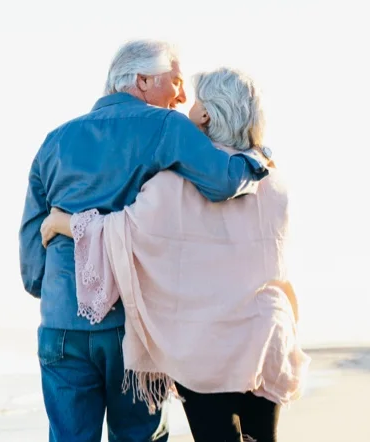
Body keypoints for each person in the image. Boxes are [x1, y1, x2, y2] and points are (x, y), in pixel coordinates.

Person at [18, 40, 272, 442]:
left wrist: (48, 288)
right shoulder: (165, 126)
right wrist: (259, 159)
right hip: (131, 323)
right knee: (140, 437)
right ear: (142, 80)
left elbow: (33, 244)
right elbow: (223, 181)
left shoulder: (54, 140)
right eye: (175, 81)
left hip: (61, 319)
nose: (182, 96)